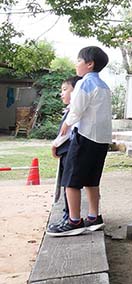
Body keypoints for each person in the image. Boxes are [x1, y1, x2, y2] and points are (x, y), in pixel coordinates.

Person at [46, 46, 112, 237]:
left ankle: (74, 221)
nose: (76, 64)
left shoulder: (84, 83)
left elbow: (77, 110)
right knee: (92, 179)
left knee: (71, 181)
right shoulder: (105, 87)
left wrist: (64, 128)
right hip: (102, 140)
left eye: (78, 60)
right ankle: (93, 217)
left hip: (85, 136)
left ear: (89, 64)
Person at [51, 75, 82, 222]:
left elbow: (66, 133)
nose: (61, 93)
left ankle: (70, 215)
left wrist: (54, 145)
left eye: (65, 89)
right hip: (66, 152)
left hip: (69, 151)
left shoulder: (74, 112)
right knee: (65, 184)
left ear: (75, 91)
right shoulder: (71, 110)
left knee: (68, 184)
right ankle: (67, 213)